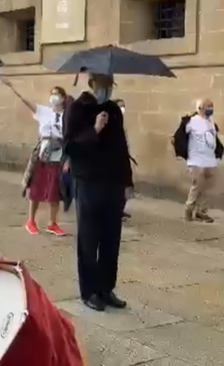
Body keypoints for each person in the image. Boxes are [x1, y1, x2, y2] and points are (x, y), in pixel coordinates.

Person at [64, 73, 133, 312]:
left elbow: (121, 147)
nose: (107, 90)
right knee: (89, 239)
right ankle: (89, 291)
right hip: (89, 182)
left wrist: (127, 181)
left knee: (111, 240)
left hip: (113, 183)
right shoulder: (77, 108)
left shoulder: (113, 109)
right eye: (103, 85)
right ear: (92, 84)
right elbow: (69, 146)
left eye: (110, 85)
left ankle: (106, 288)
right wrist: (94, 130)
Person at [0, 78, 68, 236]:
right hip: (43, 154)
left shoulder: (67, 116)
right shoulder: (44, 111)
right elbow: (26, 101)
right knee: (36, 188)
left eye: (57, 94)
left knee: (54, 191)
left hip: (58, 154)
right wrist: (13, 87)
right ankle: (31, 221)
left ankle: (52, 223)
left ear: (64, 98)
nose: (54, 97)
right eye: (52, 94)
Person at [173, 98, 224, 223]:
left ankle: (201, 211)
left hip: (210, 160)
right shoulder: (192, 121)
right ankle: (188, 210)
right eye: (208, 106)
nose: (210, 108)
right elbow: (179, 136)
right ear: (200, 108)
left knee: (208, 187)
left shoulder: (211, 121)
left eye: (212, 106)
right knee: (197, 186)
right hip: (196, 160)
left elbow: (213, 138)